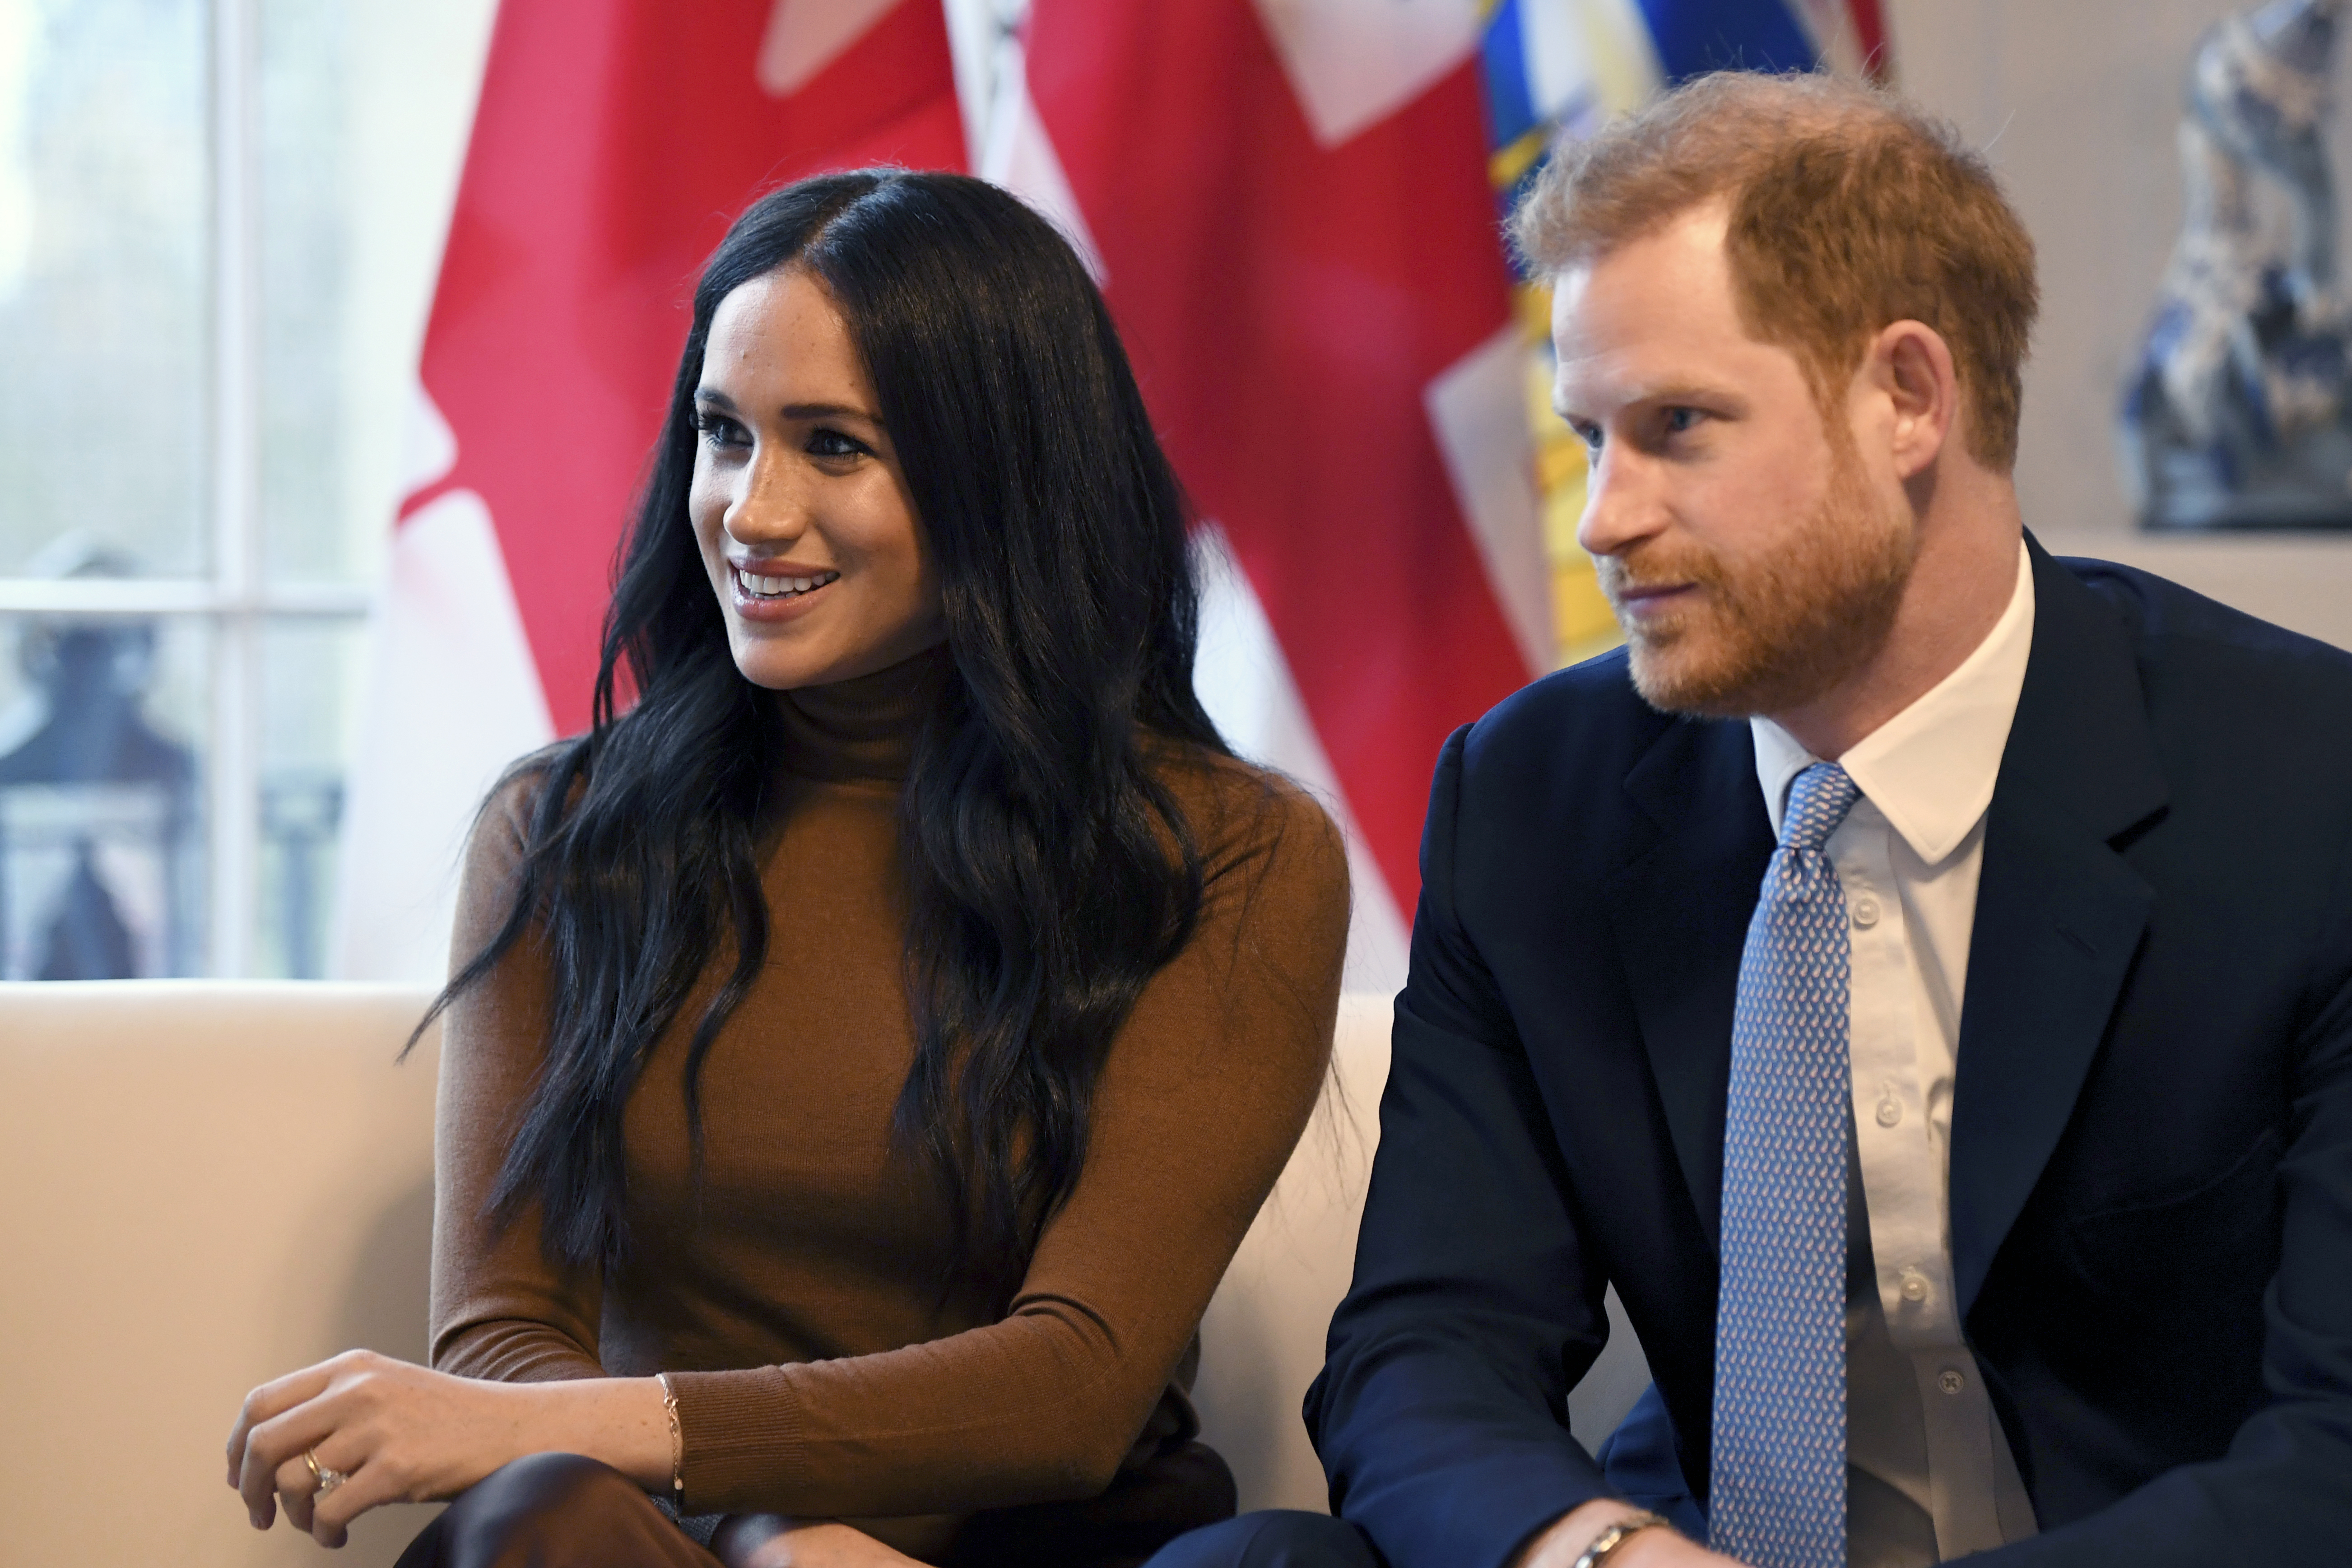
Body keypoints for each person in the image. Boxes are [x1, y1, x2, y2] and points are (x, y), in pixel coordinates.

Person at [1147, 70, 2352, 1568]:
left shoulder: (2308, 784)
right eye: (1587, 434)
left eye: (1676, 427)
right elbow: (1425, 1346)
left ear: (1907, 397)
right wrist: (1603, 1554)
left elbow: (2332, 1460)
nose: (1601, 513)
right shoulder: (1531, 800)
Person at [222, 169, 1351, 1568]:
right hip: (677, 1546)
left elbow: (1076, 1382)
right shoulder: (567, 831)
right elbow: (502, 1339)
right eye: (721, 434)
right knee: (537, 1518)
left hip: (1062, 1548)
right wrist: (768, 1531)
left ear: (1004, 474)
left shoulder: (1233, 851)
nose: (749, 512)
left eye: (831, 445)